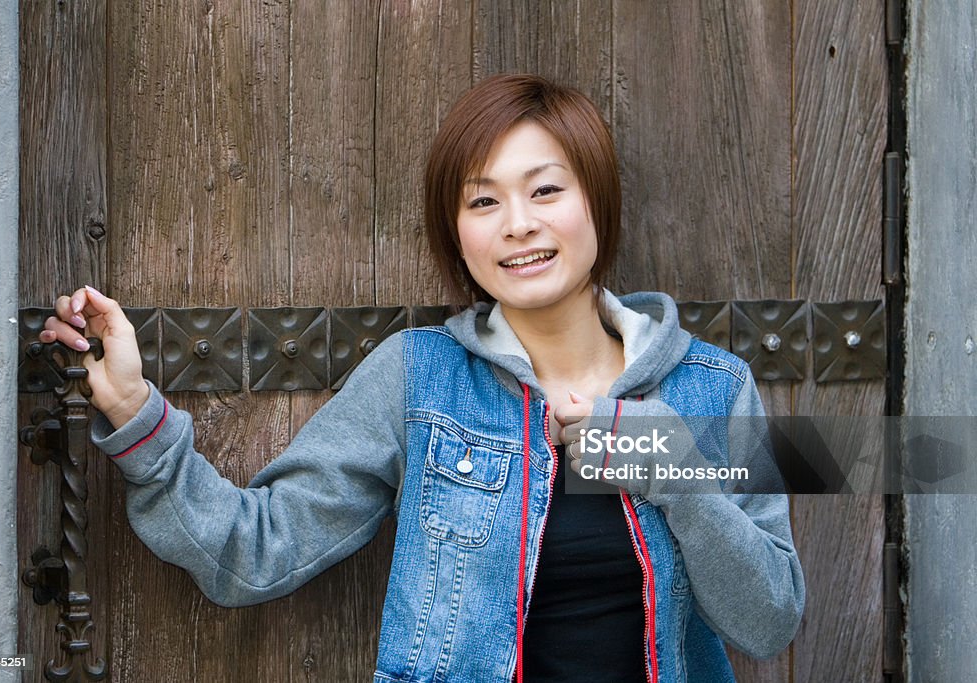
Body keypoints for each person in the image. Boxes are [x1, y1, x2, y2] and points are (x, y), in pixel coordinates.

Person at [41, 74, 805, 683]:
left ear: (596, 204)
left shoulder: (712, 388)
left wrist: (675, 473)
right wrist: (139, 414)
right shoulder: (420, 380)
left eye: (546, 190)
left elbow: (769, 621)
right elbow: (253, 551)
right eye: (484, 200)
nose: (518, 223)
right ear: (458, 235)